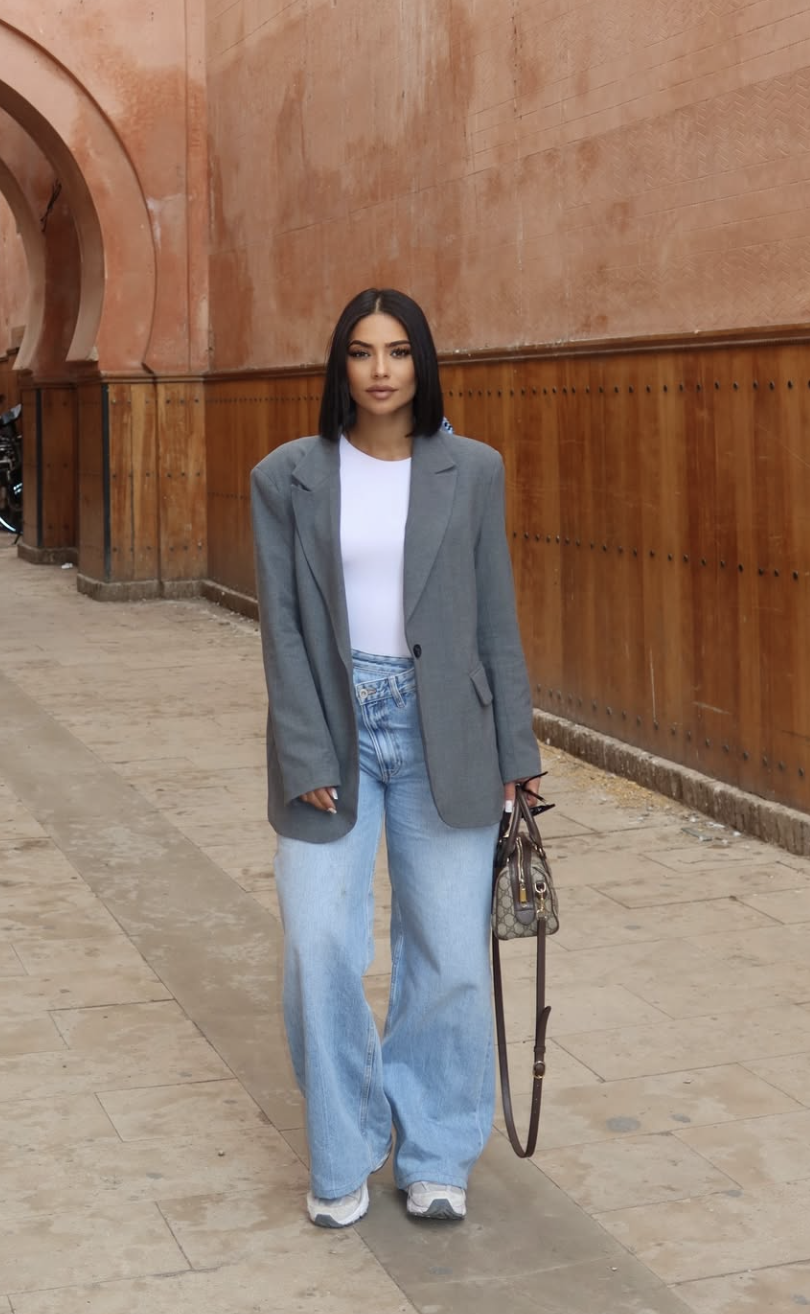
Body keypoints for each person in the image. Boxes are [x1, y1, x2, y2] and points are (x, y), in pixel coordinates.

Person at [250, 288, 541, 1229]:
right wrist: (303, 748)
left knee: (448, 955)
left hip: (445, 729)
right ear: (340, 365)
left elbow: (495, 616)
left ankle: (435, 1152)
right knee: (319, 945)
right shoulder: (287, 476)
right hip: (332, 730)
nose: (381, 370)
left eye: (399, 351)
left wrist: (517, 750)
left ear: (423, 363)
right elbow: (282, 628)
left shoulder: (474, 470)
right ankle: (343, 1150)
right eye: (363, 352)